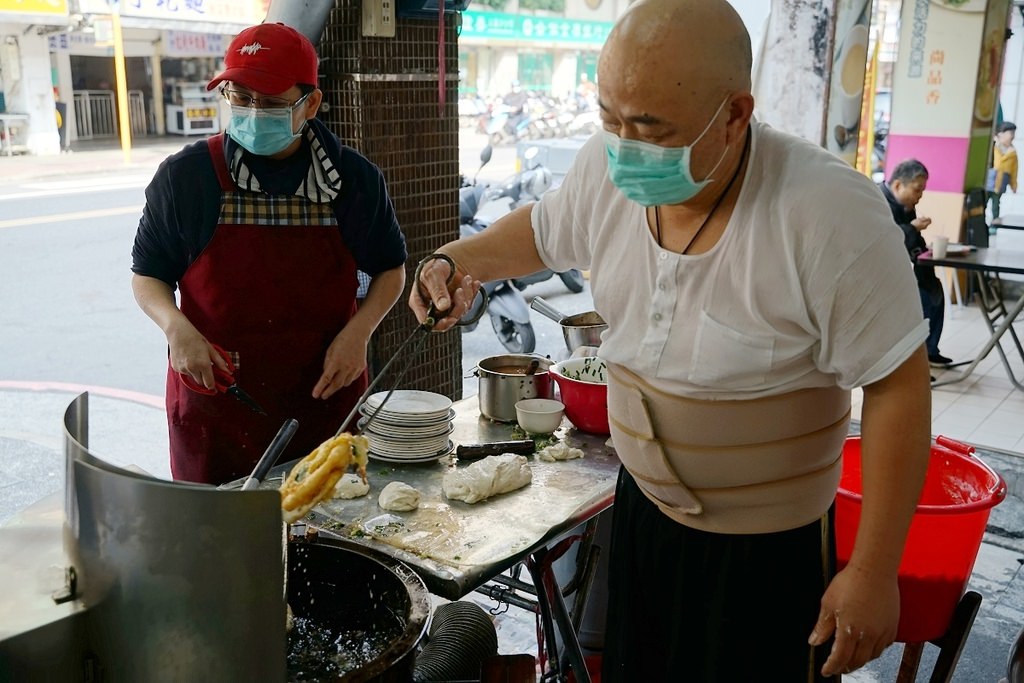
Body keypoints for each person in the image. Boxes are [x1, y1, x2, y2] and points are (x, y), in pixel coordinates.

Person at [410, 1, 932, 680]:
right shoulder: (607, 167)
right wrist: (459, 260)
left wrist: (873, 568)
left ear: (736, 114)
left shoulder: (827, 211)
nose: (623, 143)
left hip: (765, 553)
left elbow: (897, 382)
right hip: (645, 517)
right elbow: (541, 232)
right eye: (609, 118)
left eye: (650, 128)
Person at [131, 22, 407, 485]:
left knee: (328, 536)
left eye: (271, 102)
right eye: (239, 97)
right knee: (217, 542)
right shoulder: (185, 178)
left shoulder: (354, 180)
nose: (252, 113)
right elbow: (148, 276)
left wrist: (360, 332)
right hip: (216, 404)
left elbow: (390, 269)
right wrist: (176, 329)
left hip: (324, 398)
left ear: (310, 104)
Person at [878, 159, 951, 368]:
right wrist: (912, 227)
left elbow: (913, 242)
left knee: (933, 287)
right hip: (883, 274)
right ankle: (913, 362)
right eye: (917, 190)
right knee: (921, 296)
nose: (920, 197)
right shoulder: (877, 200)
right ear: (899, 185)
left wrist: (928, 252)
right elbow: (883, 238)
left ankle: (930, 351)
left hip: (905, 268)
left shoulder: (905, 204)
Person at [987, 120, 1018, 233]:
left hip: (1001, 182)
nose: (1012, 136)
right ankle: (981, 224)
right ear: (1000, 134)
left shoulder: (1012, 152)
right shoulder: (994, 146)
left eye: (1014, 134)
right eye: (1010, 133)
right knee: (984, 202)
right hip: (989, 180)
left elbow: (1014, 170)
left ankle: (994, 225)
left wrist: (1014, 184)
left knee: (996, 205)